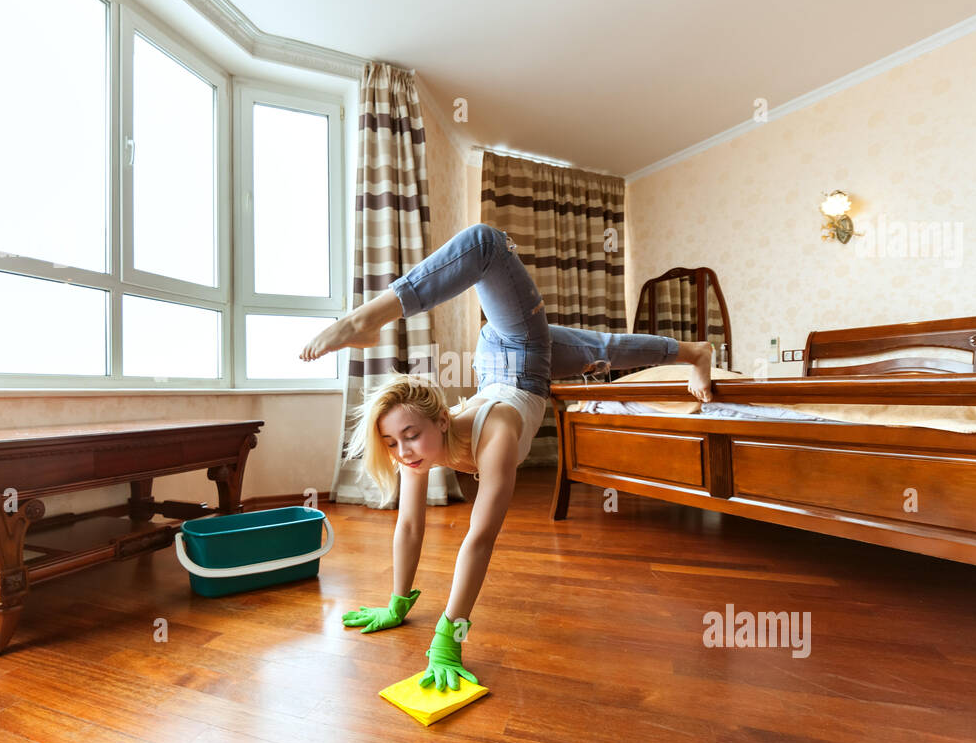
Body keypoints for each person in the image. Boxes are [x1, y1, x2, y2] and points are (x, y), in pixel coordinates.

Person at [299, 223, 714, 690]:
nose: (403, 453)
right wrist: (398, 602)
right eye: (392, 443)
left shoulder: (494, 436)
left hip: (510, 355)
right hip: (513, 358)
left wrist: (449, 635)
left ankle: (363, 319)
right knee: (604, 350)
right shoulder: (418, 450)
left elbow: (479, 538)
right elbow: (410, 525)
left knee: (484, 244)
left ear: (440, 420)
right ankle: (696, 351)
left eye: (409, 436)